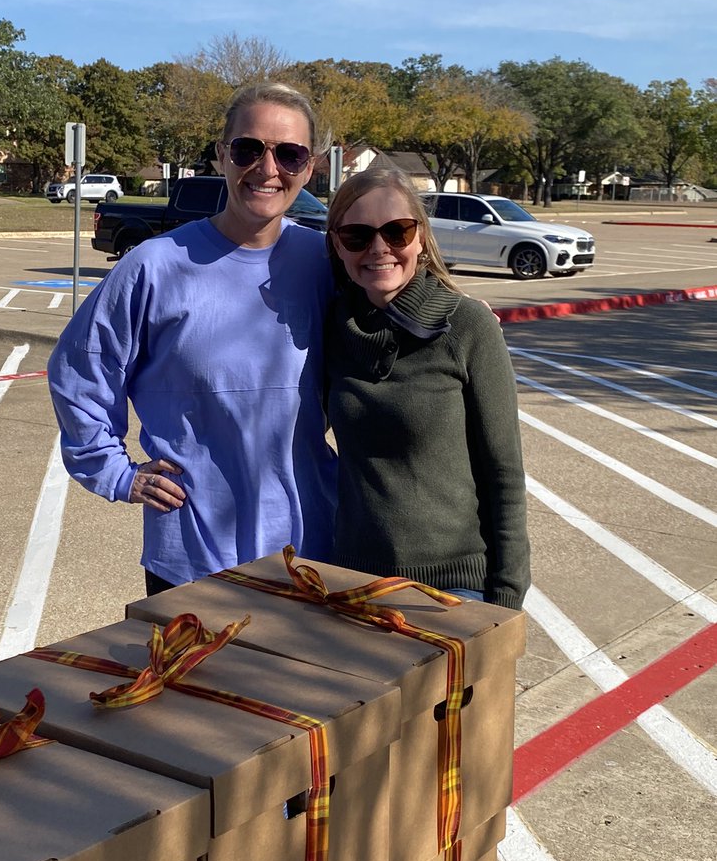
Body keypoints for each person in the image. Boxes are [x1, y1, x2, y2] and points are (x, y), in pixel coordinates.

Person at [48, 83, 337, 594]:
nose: (268, 169)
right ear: (223, 155)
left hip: (313, 550)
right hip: (192, 555)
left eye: (289, 154)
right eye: (249, 149)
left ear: (309, 167)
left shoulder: (326, 262)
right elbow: (80, 369)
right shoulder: (155, 266)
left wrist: (458, 314)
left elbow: (399, 305)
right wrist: (115, 472)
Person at [324, 168, 530, 609]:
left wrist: (506, 598)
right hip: (352, 580)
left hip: (451, 586)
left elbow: (504, 473)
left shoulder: (468, 327)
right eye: (357, 236)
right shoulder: (329, 329)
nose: (379, 248)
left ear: (421, 238)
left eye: (397, 232)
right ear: (337, 244)